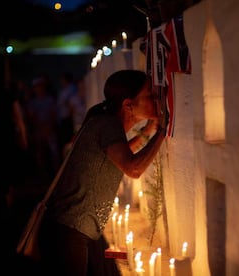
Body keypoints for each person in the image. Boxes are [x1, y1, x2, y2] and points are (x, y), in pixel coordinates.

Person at [38, 70, 165, 276]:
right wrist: (162, 133)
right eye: (150, 95)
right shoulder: (108, 124)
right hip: (69, 232)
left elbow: (118, 155)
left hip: (72, 230)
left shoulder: (105, 122)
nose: (156, 99)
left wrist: (147, 132)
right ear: (127, 105)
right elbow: (133, 168)